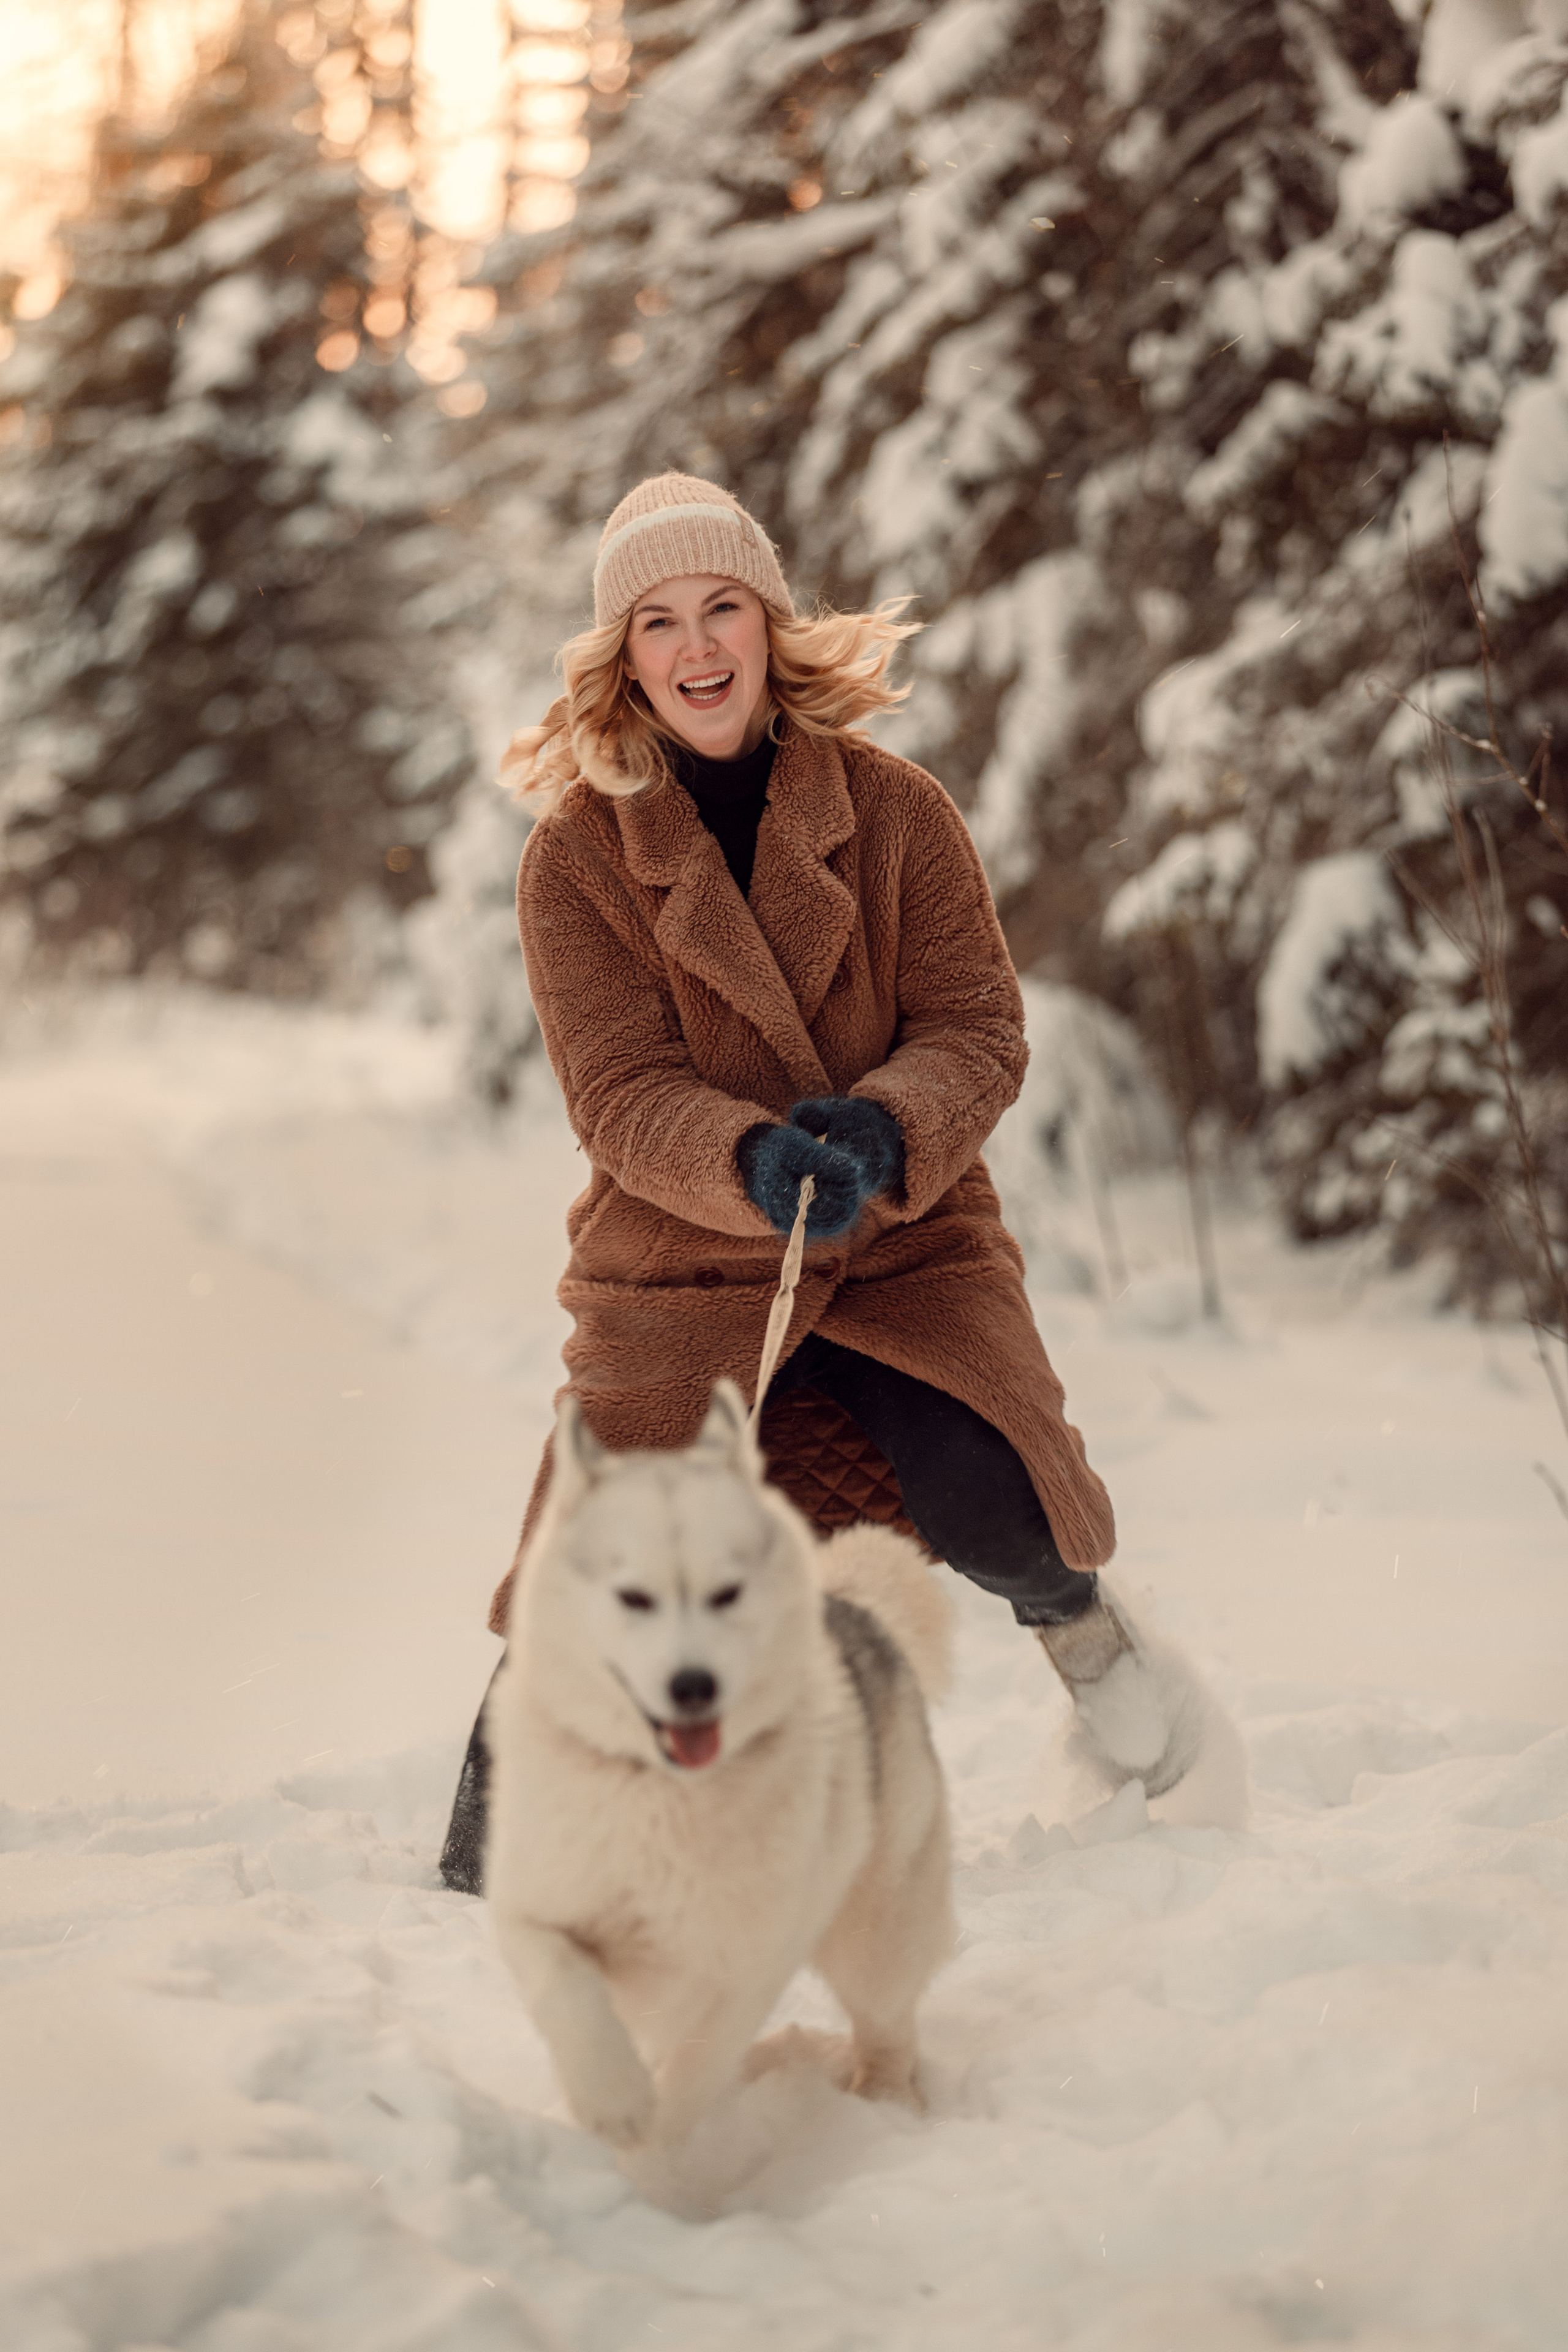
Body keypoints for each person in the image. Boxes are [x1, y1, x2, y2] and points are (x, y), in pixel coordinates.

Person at [439, 472, 1193, 1895]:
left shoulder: (896, 811)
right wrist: (746, 1159)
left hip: (905, 1244)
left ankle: (1091, 1644)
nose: (696, 645)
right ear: (622, 657)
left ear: (770, 624)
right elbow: (617, 1095)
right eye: (658, 621)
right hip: (683, 1268)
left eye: (721, 606)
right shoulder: (574, 860)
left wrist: (889, 1132)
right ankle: (505, 1837)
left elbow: (977, 1026)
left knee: (997, 1502)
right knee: (608, 1548)